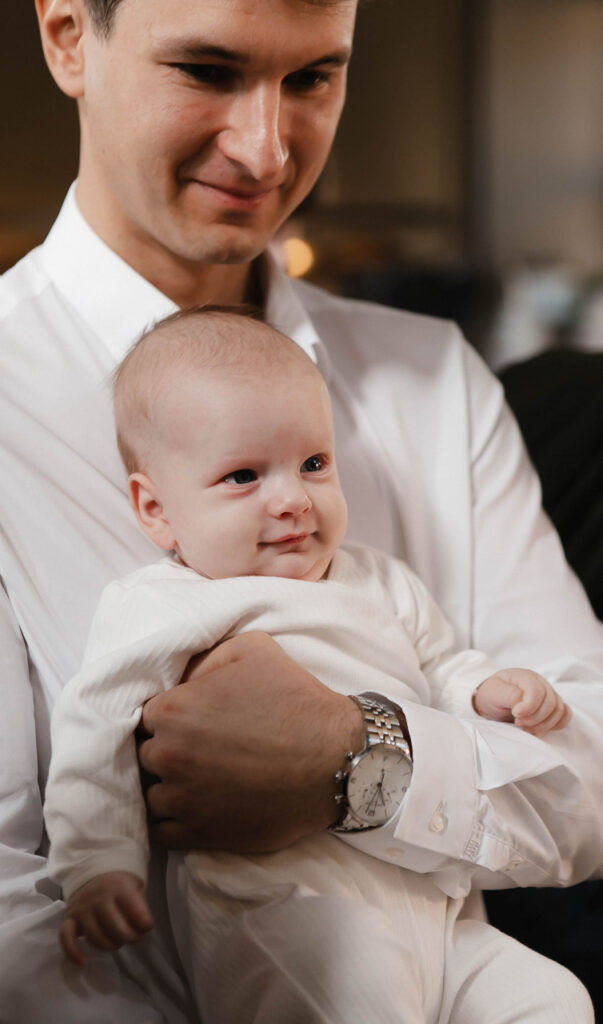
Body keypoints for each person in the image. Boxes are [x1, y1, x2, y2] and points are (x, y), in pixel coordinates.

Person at [0, 0, 602, 1021]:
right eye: (206, 71)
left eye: (313, 77)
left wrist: (352, 759)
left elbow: (588, 773)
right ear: (66, 36)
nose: (265, 149)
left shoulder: (433, 380)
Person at [44, 306, 586, 1022]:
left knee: (553, 998)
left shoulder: (380, 580)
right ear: (156, 510)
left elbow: (442, 667)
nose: (293, 499)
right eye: (243, 476)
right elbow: (95, 729)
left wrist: (488, 691)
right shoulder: (166, 603)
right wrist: (97, 864)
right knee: (355, 997)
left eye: (313, 464)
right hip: (288, 910)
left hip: (435, 911)